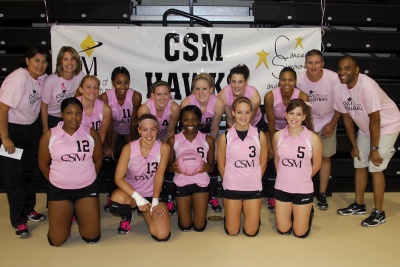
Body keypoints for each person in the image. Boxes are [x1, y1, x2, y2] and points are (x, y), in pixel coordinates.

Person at [334, 56, 400, 227]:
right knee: (359, 162)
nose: (342, 72)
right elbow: (346, 119)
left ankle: (379, 212)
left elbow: (376, 120)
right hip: (365, 129)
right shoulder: (339, 88)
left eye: (347, 68)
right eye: (340, 68)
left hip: (386, 126)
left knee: (375, 165)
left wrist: (374, 148)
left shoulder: (367, 86)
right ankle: (359, 204)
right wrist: (354, 146)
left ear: (357, 70)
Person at [38, 98, 103, 246]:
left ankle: (78, 212)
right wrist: (56, 181)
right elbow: (42, 164)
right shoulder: (50, 136)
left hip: (87, 189)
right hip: (59, 191)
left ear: (82, 115)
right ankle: (68, 214)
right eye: (69, 113)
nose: (74, 117)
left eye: (78, 113)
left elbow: (98, 161)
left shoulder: (91, 134)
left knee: (91, 237)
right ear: (61, 114)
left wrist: (89, 178)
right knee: (57, 240)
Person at [0, 45, 50, 238]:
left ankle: (29, 209)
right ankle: (19, 221)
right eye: (36, 60)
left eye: (44, 61)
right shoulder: (18, 78)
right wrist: (5, 137)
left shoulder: (42, 78)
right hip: (12, 131)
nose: (41, 65)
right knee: (14, 177)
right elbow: (3, 109)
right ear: (27, 60)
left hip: (31, 129)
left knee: (29, 172)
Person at [109, 114, 171, 241]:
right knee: (116, 201)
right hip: (132, 194)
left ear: (157, 130)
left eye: (152, 129)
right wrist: (138, 198)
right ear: (139, 130)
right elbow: (118, 178)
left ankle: (146, 210)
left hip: (152, 195)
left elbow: (159, 176)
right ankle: (127, 216)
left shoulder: (164, 148)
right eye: (144, 129)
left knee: (161, 235)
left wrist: (154, 202)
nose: (149, 133)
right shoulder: (129, 148)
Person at [296, 49, 341, 210]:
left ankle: (322, 193)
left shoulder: (333, 78)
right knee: (305, 159)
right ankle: (304, 191)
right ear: (305, 64)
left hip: (329, 120)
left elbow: (341, 104)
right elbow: (299, 107)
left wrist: (333, 124)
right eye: (310, 62)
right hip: (308, 122)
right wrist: (307, 127)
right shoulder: (300, 80)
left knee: (325, 158)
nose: (313, 66)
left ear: (322, 63)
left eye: (317, 62)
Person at [218, 96, 268, 237]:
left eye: (247, 112)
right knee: (233, 231)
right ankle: (232, 215)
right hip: (232, 187)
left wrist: (254, 179)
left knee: (251, 232)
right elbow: (221, 165)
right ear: (233, 112)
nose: (243, 116)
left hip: (253, 187)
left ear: (252, 113)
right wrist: (229, 180)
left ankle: (252, 214)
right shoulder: (226, 137)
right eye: (239, 112)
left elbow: (263, 163)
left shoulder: (259, 135)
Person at [272, 99, 322, 238]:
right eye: (291, 113)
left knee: (300, 233)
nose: (294, 118)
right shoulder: (278, 136)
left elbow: (317, 165)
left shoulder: (312, 138)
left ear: (304, 117)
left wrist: (302, 177)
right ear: (286, 115)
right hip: (282, 188)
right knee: (283, 230)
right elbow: (277, 162)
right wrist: (286, 176)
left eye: (299, 114)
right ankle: (295, 213)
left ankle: (307, 212)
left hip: (303, 189)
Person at [264, 67, 309, 213]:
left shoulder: (303, 96)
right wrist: (271, 145)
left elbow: (305, 121)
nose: (286, 83)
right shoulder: (270, 96)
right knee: (271, 158)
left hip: (294, 129)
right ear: (279, 81)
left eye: (290, 79)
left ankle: (297, 192)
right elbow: (271, 123)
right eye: (283, 79)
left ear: (295, 81)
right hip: (274, 130)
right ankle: (272, 196)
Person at [99, 67, 142, 210]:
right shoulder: (105, 97)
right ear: (113, 83)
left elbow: (134, 122)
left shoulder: (135, 96)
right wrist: (109, 145)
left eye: (126, 83)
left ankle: (132, 192)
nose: (122, 87)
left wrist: (132, 147)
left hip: (129, 130)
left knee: (131, 160)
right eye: (119, 83)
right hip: (113, 129)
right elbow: (108, 122)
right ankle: (110, 194)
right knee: (109, 159)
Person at [180, 73, 224, 213]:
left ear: (211, 89)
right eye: (197, 89)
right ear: (193, 90)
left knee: (212, 161)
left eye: (204, 89)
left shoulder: (218, 103)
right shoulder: (186, 103)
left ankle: (212, 195)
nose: (200, 92)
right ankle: (187, 192)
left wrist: (213, 147)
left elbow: (214, 128)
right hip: (190, 134)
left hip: (208, 134)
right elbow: (184, 129)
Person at [167, 105, 215, 232]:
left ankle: (198, 205)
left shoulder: (208, 140)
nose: (190, 123)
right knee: (185, 226)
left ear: (199, 121)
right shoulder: (174, 140)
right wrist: (173, 167)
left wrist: (206, 167)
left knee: (199, 227)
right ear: (181, 121)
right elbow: (168, 168)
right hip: (182, 183)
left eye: (194, 119)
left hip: (201, 183)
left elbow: (212, 168)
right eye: (186, 120)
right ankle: (185, 208)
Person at [138, 81, 180, 215]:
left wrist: (167, 153)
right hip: (149, 138)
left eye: (166, 94)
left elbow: (170, 131)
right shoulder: (144, 109)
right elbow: (144, 134)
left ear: (170, 95)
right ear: (152, 95)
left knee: (168, 164)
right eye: (159, 94)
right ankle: (144, 197)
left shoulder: (174, 108)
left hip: (164, 139)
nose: (163, 98)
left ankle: (168, 196)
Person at [41, 46, 85, 132]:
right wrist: (45, 129)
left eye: (73, 59)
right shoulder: (50, 81)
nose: (69, 63)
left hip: (70, 116)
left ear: (77, 61)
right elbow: (43, 107)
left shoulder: (80, 75)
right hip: (52, 117)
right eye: (65, 59)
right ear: (60, 62)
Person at [218, 64, 263, 129]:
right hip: (234, 122)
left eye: (240, 82)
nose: (237, 86)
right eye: (234, 82)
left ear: (246, 82)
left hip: (253, 122)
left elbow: (250, 121)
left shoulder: (254, 97)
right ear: (230, 81)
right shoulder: (223, 95)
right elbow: (230, 119)